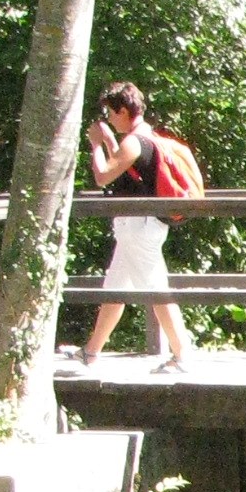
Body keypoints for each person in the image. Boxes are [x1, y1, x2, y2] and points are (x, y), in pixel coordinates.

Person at [68, 82, 194, 373]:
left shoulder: (134, 142)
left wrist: (96, 144)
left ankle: (182, 355)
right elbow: (127, 171)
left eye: (111, 114)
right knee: (114, 288)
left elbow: (103, 176)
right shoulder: (147, 138)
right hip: (139, 226)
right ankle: (91, 352)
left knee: (156, 289)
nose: (109, 119)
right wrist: (110, 141)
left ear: (123, 111)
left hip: (139, 226)